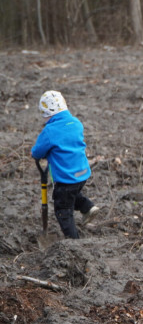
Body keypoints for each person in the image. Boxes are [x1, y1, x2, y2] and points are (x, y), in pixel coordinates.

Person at [31, 91, 100, 239]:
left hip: (66, 178)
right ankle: (88, 207)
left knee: (63, 208)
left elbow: (37, 152)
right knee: (72, 194)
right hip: (82, 174)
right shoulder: (76, 123)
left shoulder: (50, 131)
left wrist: (38, 154)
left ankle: (73, 242)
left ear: (48, 113)